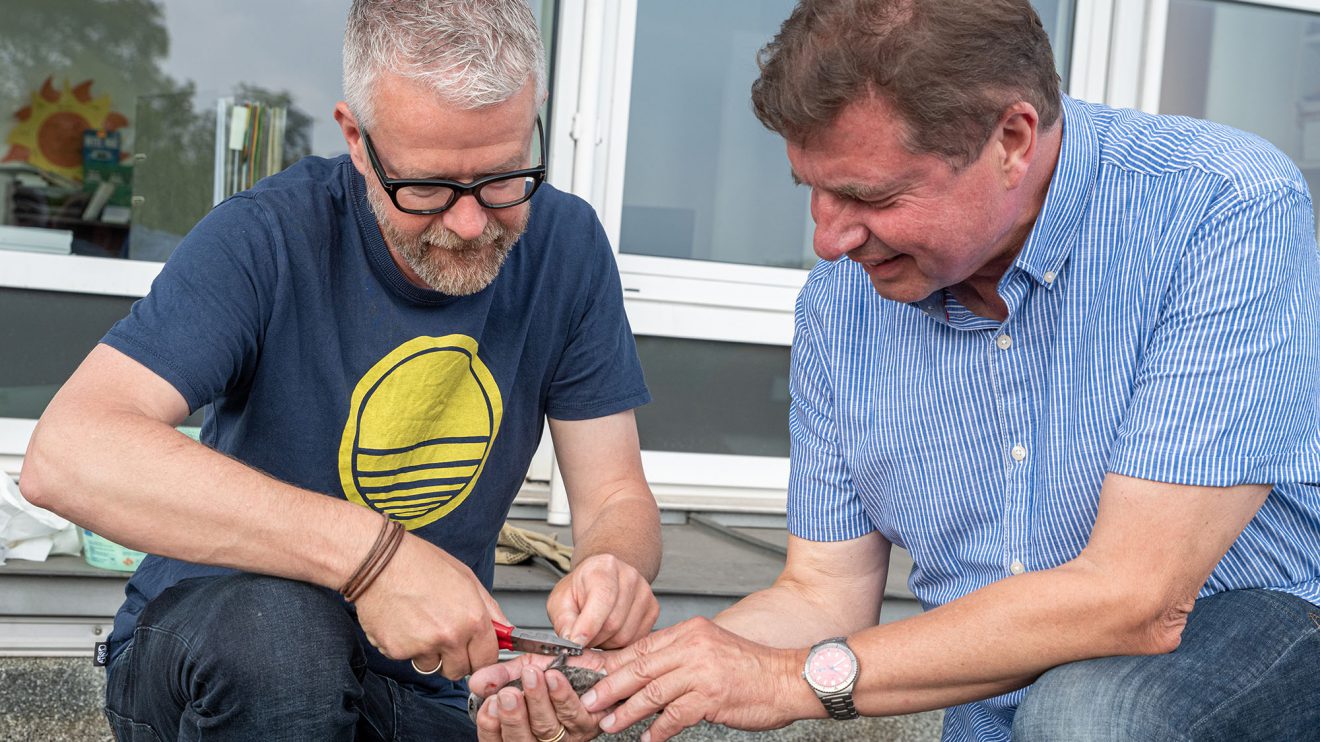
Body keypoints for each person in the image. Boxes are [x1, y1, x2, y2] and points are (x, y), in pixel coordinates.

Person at [479, 1, 1320, 741]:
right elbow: (823, 594)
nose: (829, 239)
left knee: (1090, 715)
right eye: (811, 189)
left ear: (1012, 140)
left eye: (873, 199)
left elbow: (1136, 599)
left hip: (1253, 632)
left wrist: (783, 680)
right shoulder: (839, 308)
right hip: (992, 687)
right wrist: (619, 684)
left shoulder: (1222, 208)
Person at [19, 1, 662, 739]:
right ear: (356, 139)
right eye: (426, 188)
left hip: (424, 681)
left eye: (501, 177)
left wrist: (614, 569)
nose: (469, 223)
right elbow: (66, 454)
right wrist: (372, 559)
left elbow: (616, 492)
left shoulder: (568, 246)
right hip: (217, 658)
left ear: (535, 114)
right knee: (283, 635)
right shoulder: (267, 235)